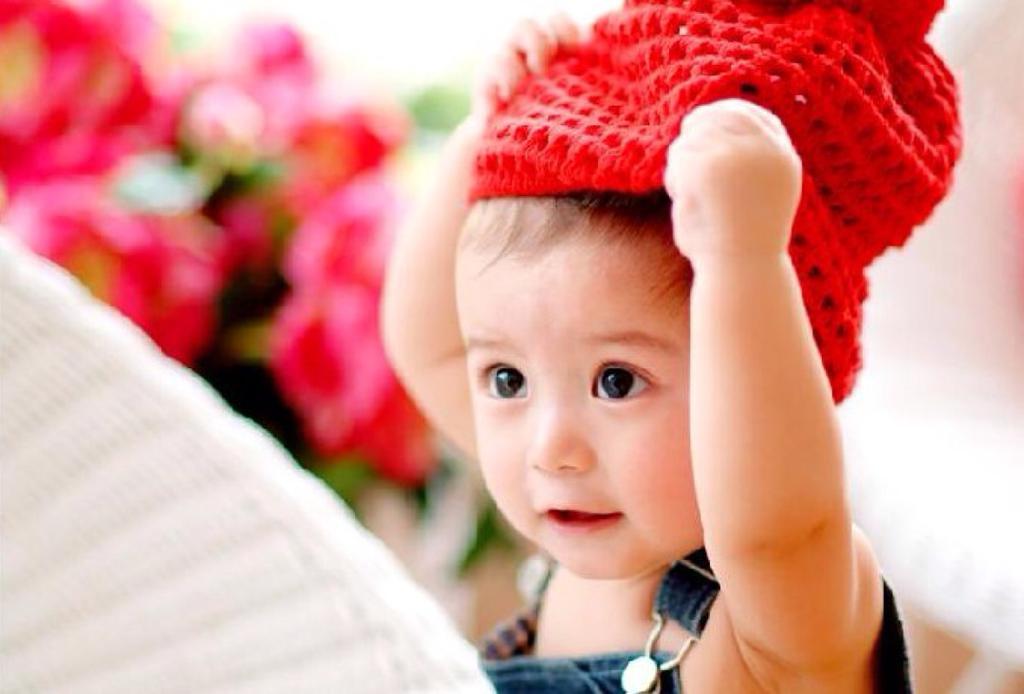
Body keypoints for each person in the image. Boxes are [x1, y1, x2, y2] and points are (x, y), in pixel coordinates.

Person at [381, 1, 961, 691]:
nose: (550, 447)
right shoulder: (589, 528)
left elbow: (776, 529)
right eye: (509, 379)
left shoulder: (781, 607)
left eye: (617, 381)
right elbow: (429, 347)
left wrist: (745, 258)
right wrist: (482, 133)